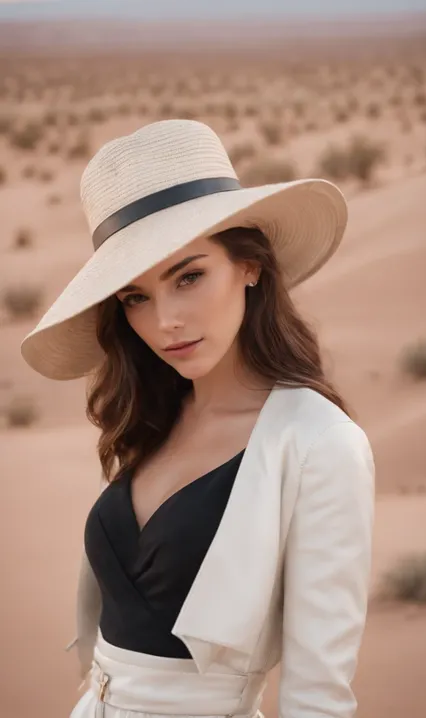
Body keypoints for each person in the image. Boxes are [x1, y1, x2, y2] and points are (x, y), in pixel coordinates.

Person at [21, 119, 375, 718]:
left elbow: (319, 696)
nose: (166, 322)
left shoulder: (319, 443)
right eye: (136, 296)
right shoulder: (152, 417)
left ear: (250, 265)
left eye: (189, 277)